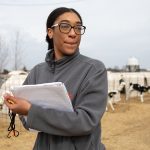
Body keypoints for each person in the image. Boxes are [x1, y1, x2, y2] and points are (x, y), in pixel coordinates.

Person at [4, 7, 108, 150]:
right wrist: (21, 109)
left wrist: (31, 111)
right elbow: (28, 122)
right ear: (50, 32)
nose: (73, 33)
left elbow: (85, 122)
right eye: (65, 26)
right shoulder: (37, 72)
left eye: (78, 28)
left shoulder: (93, 70)